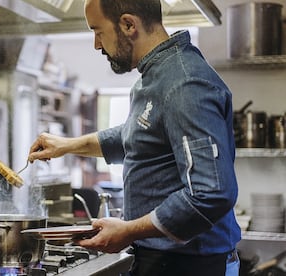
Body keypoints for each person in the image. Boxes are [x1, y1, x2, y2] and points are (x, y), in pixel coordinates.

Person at [28, 0, 241, 275]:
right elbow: (136, 137)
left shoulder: (185, 83)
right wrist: (67, 146)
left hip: (193, 265)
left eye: (98, 31)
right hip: (162, 259)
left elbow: (210, 194)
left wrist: (128, 231)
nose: (96, 44)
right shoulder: (154, 76)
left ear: (129, 24)